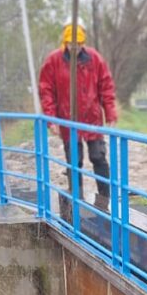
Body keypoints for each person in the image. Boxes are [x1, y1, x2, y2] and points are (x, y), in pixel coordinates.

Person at [38, 19, 118, 212]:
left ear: (83, 42)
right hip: (67, 119)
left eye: (79, 44)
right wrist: (51, 118)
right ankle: (76, 199)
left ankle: (105, 200)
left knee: (98, 157)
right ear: (65, 42)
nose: (75, 47)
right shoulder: (54, 61)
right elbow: (46, 90)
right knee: (74, 160)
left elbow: (106, 86)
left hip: (92, 118)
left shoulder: (95, 59)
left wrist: (110, 113)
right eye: (71, 44)